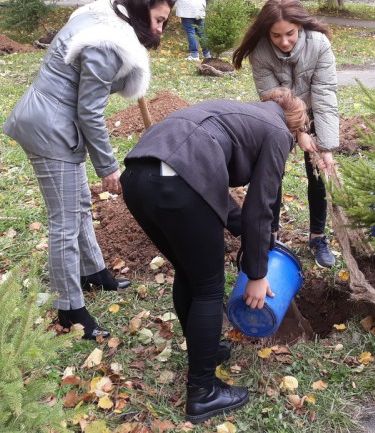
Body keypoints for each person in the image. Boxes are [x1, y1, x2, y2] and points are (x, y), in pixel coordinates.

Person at [120, 89, 309, 424]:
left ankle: (202, 352)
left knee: (188, 271)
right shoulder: (280, 132)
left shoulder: (238, 114)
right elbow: (260, 207)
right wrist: (256, 273)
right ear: (295, 126)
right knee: (208, 286)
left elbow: (206, 183)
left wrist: (245, 233)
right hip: (177, 182)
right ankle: (204, 392)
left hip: (139, 177)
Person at [4, 0, 175, 340]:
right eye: (158, 21)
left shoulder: (101, 21)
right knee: (64, 222)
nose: (159, 30)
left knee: (79, 204)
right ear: (141, 10)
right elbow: (89, 113)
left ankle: (94, 272)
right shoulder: (108, 44)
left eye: (164, 23)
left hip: (54, 120)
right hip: (51, 128)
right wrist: (108, 167)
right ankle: (70, 308)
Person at [231, 0, 339, 268]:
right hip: (277, 114)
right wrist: (298, 131)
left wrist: (325, 146)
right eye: (276, 35)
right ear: (267, 32)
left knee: (317, 174)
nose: (285, 41)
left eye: (290, 33)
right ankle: (272, 233)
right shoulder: (261, 51)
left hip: (315, 111)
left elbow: (325, 94)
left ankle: (317, 237)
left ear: (300, 26)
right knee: (270, 171)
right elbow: (272, 96)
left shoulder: (319, 45)